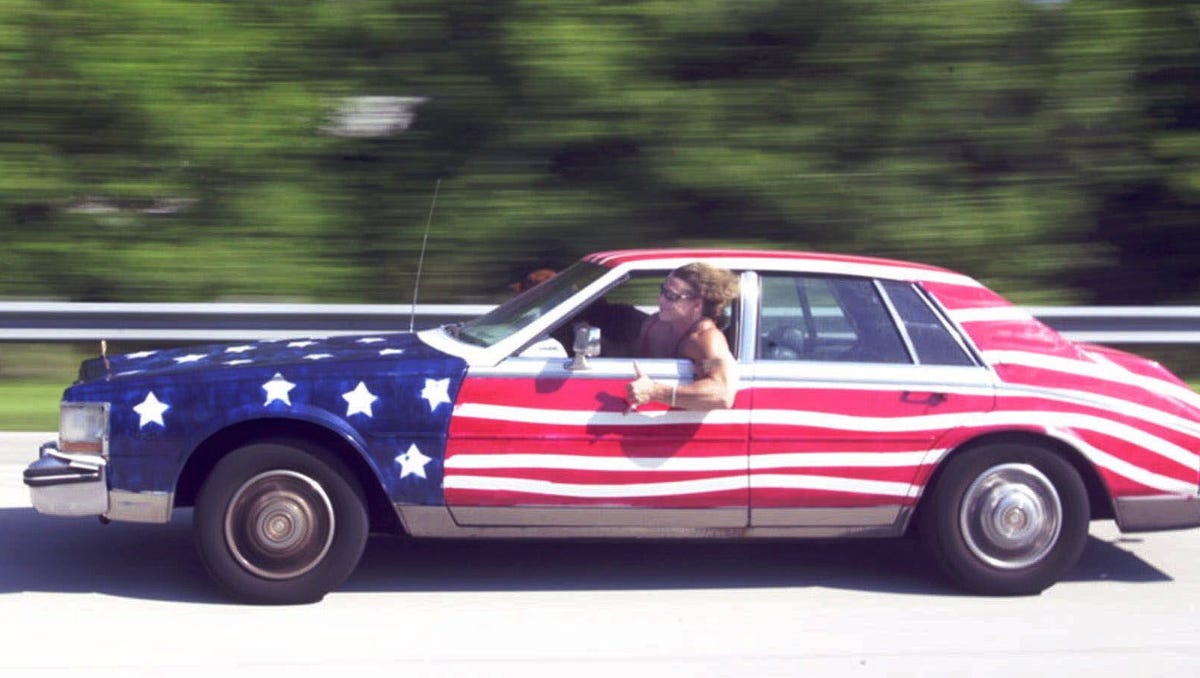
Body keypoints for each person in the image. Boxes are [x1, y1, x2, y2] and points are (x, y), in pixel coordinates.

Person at [626, 262, 739, 411]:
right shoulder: (654, 323)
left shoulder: (704, 340)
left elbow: (722, 394)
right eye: (662, 291)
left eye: (671, 296)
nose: (661, 300)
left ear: (697, 304)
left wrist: (655, 392)